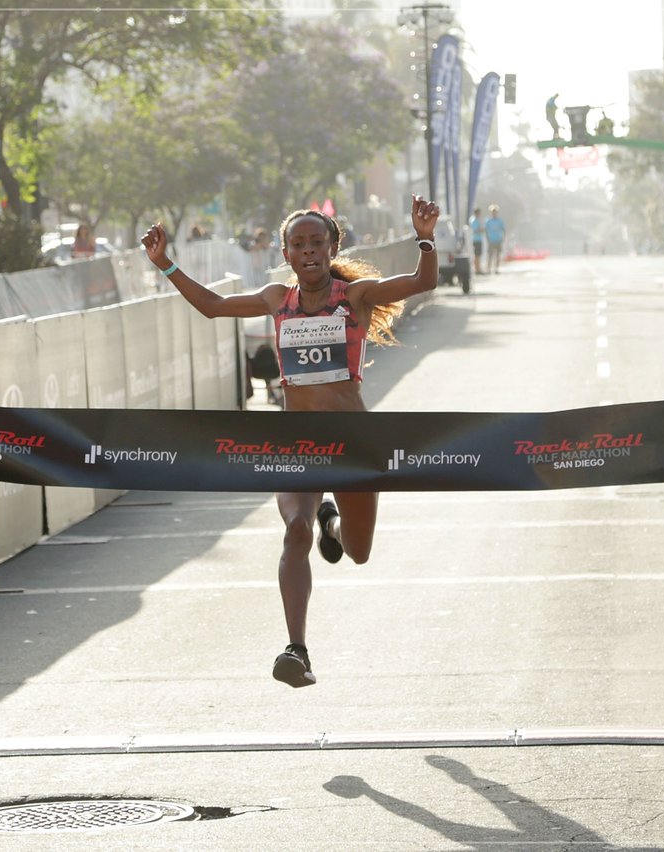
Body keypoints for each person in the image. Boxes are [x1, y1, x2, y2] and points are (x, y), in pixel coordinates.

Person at [142, 195, 440, 687]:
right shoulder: (277, 300)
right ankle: (296, 650)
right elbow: (214, 307)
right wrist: (165, 264)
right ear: (286, 254)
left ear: (332, 246)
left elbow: (421, 281)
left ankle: (334, 526)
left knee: (358, 551)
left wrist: (425, 238)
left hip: (352, 444)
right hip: (296, 444)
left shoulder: (357, 296)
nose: (308, 251)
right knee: (294, 532)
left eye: (316, 242)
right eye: (297, 244)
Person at [484, 205, 505, 274]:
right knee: (490, 255)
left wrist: (503, 239)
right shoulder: (488, 221)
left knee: (497, 255)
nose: (494, 213)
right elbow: (486, 231)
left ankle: (496, 269)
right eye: (493, 212)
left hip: (498, 240)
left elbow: (503, 230)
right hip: (491, 240)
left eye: (495, 212)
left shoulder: (500, 221)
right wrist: (487, 239)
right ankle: (488, 269)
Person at [468, 207, 484, 274]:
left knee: (478, 255)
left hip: (478, 239)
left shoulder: (475, 219)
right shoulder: (474, 220)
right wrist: (482, 229)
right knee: (477, 255)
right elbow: (475, 230)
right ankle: (477, 269)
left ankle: (478, 268)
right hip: (476, 239)